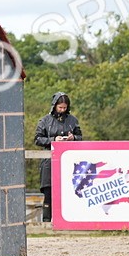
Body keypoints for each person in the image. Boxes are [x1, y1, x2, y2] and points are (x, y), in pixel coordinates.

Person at [34, 91, 83, 223]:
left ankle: (69, 221)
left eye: (64, 108)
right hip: (49, 162)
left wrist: (73, 138)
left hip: (68, 162)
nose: (62, 110)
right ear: (54, 106)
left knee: (68, 192)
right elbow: (38, 139)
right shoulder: (45, 121)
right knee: (48, 192)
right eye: (60, 107)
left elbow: (80, 137)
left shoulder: (73, 120)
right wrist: (54, 140)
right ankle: (46, 221)